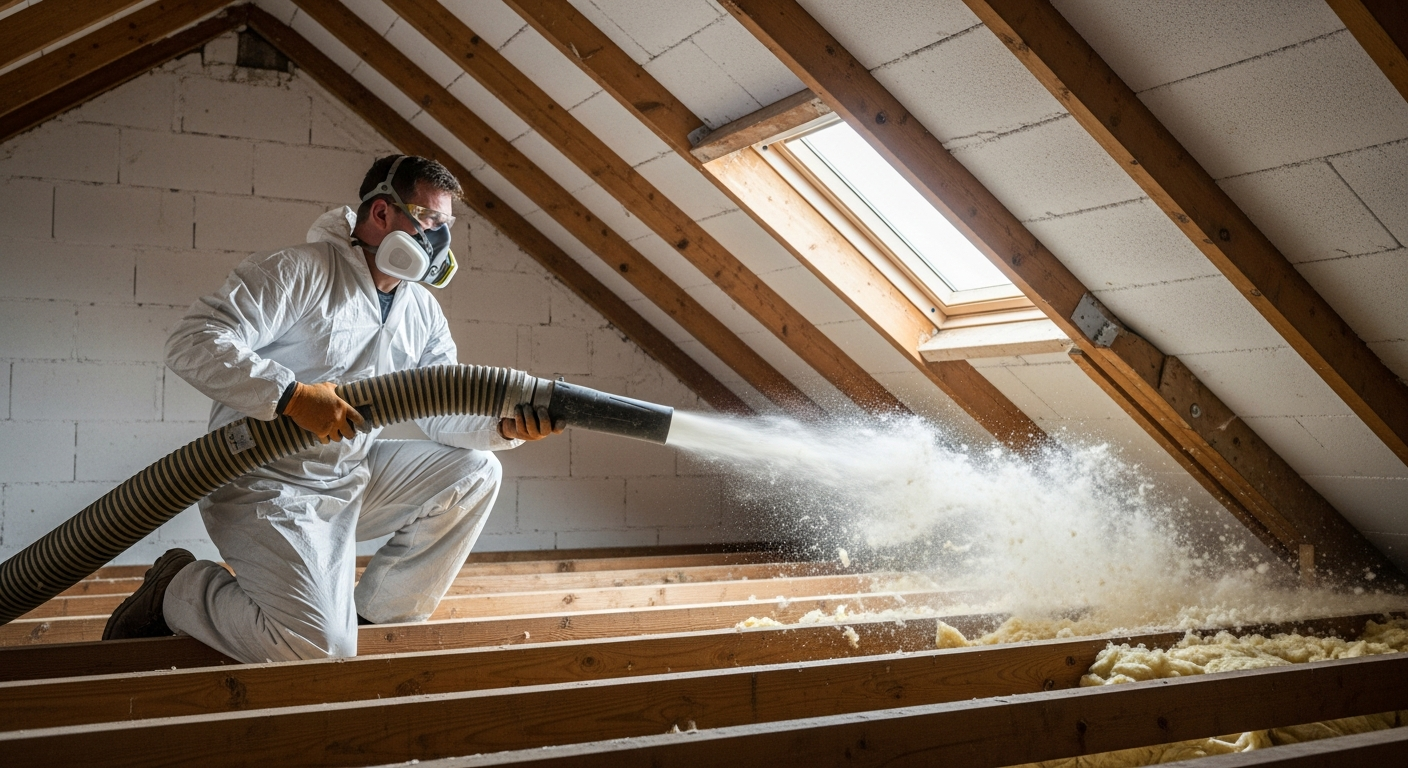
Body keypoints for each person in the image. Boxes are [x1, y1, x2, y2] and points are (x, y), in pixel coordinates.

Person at [101, 155, 562, 663]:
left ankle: (374, 619)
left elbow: (441, 408)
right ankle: (177, 589)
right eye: (428, 221)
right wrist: (291, 396)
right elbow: (194, 341)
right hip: (268, 482)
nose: (438, 240)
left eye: (444, 225)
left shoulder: (420, 310)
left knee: (476, 471)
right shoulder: (300, 271)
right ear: (382, 214)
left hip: (350, 473)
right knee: (312, 649)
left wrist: (503, 426)